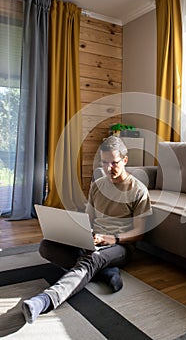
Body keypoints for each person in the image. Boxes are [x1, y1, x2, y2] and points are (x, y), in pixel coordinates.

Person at [22, 136, 152, 324]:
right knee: (46, 246)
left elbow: (140, 232)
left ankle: (44, 301)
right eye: (104, 163)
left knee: (92, 258)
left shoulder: (138, 190)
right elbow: (89, 219)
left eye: (114, 163)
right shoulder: (97, 186)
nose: (109, 168)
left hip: (121, 246)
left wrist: (113, 239)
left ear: (125, 160)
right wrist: (78, 232)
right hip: (94, 240)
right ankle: (106, 272)